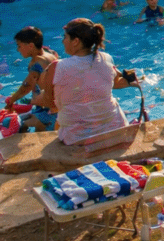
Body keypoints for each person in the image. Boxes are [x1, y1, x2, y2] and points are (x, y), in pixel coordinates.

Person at [34, 18, 132, 146]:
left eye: (65, 37)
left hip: (78, 139)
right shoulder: (106, 58)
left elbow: (48, 103)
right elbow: (115, 82)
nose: (63, 41)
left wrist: (36, 96)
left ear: (75, 41)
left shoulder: (57, 67)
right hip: (116, 130)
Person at [5, 26, 60, 132]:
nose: (17, 49)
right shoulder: (50, 55)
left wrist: (11, 101)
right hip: (55, 109)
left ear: (30, 46)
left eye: (19, 46)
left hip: (49, 113)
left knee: (16, 126)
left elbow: (26, 87)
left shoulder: (36, 64)